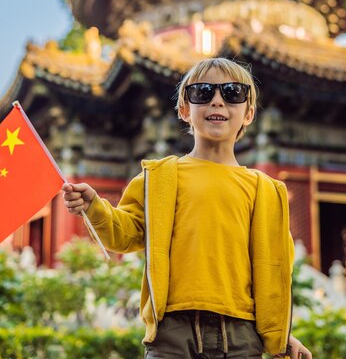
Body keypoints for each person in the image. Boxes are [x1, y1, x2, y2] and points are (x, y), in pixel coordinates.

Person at [63, 57, 312, 359]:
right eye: (203, 92)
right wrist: (95, 208)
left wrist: (283, 335)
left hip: (242, 333)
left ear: (248, 112)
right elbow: (126, 235)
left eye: (232, 93)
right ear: (184, 110)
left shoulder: (266, 190)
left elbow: (276, 272)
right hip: (173, 331)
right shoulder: (160, 177)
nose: (217, 101)